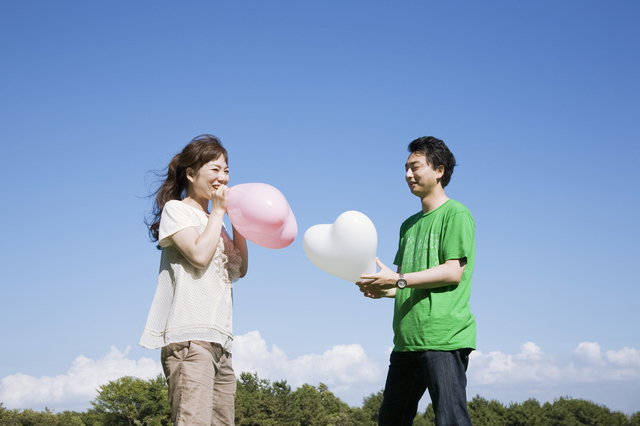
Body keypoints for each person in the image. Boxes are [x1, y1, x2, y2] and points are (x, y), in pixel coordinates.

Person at [357, 136, 475, 426]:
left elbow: (452, 271)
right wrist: (382, 289)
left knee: (451, 421)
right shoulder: (407, 225)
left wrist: (396, 280)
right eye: (406, 168)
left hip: (443, 339)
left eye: (416, 167)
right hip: (406, 342)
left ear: (439, 170)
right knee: (391, 421)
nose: (408, 174)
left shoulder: (456, 213)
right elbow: (406, 284)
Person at [139, 134, 248, 426]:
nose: (223, 177)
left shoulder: (218, 223)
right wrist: (221, 212)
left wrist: (239, 222)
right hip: (190, 338)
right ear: (191, 173)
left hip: (220, 342)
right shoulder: (177, 211)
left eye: (226, 170)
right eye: (215, 169)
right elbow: (199, 255)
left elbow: (239, 270)